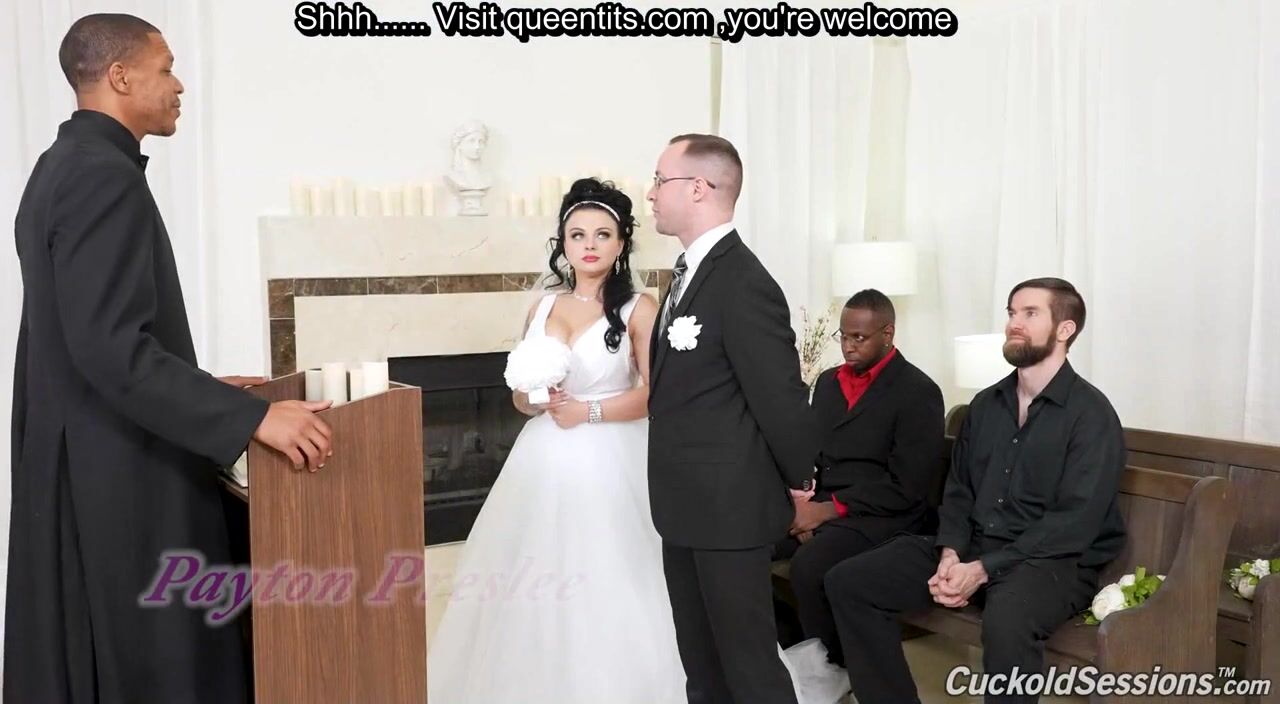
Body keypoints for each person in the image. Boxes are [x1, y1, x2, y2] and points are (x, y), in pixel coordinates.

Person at [7, 14, 333, 703]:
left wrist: (203, 385)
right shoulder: (102, 176)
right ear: (120, 77)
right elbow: (110, 346)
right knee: (156, 656)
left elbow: (83, 334)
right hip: (117, 465)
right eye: (166, 68)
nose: (179, 85)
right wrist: (253, 418)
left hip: (84, 451)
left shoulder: (62, 165)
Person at [426, 178, 687, 703]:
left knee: (611, 567)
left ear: (621, 243)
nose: (589, 245)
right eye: (577, 234)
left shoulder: (639, 307)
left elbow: (654, 395)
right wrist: (538, 400)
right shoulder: (542, 307)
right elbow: (521, 398)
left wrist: (586, 410)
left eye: (603, 234)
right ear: (563, 243)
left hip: (612, 453)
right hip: (544, 453)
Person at [824, 277, 1127, 704]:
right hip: (976, 548)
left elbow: (1074, 523)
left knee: (1008, 621)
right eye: (1011, 312)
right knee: (849, 581)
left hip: (1051, 562)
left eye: (1030, 313)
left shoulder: (1091, 415)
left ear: (1065, 329)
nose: (1014, 323)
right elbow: (959, 491)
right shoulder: (985, 406)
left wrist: (983, 568)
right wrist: (951, 552)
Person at [646, 134, 818, 704]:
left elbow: (780, 397)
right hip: (685, 507)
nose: (651, 193)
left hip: (729, 509)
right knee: (702, 667)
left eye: (660, 180)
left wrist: (800, 478)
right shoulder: (689, 273)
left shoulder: (743, 281)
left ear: (698, 187)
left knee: (749, 669)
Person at [775, 288, 944, 674]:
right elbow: (814, 453)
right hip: (826, 505)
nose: (848, 346)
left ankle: (834, 669)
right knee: (747, 543)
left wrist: (826, 512)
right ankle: (790, 649)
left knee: (810, 566)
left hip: (885, 515)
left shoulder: (919, 392)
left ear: (888, 334)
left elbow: (908, 486)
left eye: (860, 337)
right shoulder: (828, 383)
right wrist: (805, 503)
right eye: (844, 336)